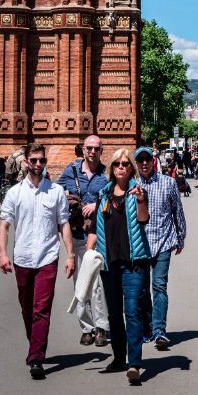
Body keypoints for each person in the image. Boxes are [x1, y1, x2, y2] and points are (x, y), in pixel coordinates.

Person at [0, 143, 75, 379]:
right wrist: (3, 253)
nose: (38, 164)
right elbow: (4, 225)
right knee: (26, 308)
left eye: (42, 160)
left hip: (47, 257)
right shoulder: (15, 193)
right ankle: (36, 344)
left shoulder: (55, 192)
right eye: (34, 160)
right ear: (26, 163)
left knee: (41, 309)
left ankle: (36, 359)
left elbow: (64, 224)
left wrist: (70, 255)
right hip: (22, 257)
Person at [86, 149, 150, 385]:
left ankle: (134, 363)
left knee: (132, 312)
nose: (121, 167)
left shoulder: (137, 192)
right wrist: (89, 255)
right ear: (111, 168)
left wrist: (141, 200)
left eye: (125, 164)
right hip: (109, 264)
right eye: (117, 164)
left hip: (133, 263)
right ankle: (119, 358)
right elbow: (94, 227)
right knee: (114, 315)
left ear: (131, 168)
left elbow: (144, 219)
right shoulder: (103, 195)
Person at [57, 135, 110, 346]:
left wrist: (98, 205)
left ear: (101, 151)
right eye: (89, 148)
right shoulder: (70, 172)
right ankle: (86, 327)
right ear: (83, 149)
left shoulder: (106, 174)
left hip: (97, 234)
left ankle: (101, 328)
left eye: (96, 148)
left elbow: (115, 195)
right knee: (80, 282)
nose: (92, 152)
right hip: (76, 233)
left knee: (96, 283)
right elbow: (55, 191)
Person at [136, 146, 187, 349]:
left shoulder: (168, 182)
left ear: (154, 161)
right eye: (141, 160)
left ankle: (159, 330)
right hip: (139, 243)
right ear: (137, 163)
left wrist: (181, 237)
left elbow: (177, 211)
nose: (145, 163)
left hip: (163, 241)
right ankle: (147, 328)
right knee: (141, 289)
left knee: (159, 286)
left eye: (148, 159)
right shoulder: (133, 184)